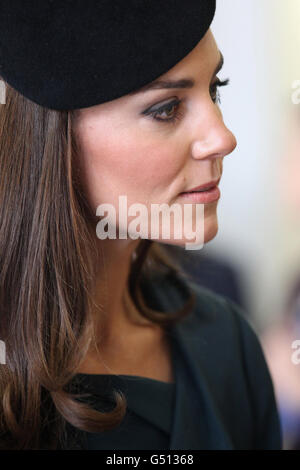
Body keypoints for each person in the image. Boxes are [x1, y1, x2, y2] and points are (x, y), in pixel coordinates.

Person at [0, 0, 282, 449]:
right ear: (58, 141)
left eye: (215, 89)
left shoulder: (226, 341)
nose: (223, 138)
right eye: (166, 108)